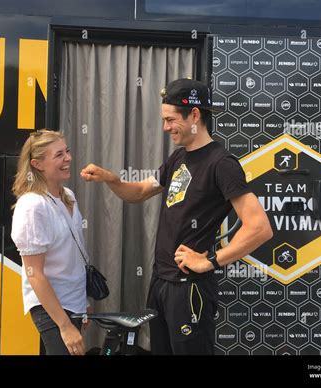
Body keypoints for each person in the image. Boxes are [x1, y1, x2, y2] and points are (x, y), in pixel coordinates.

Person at [80, 79, 273, 355]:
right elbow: (141, 191)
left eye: (171, 120)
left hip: (189, 290)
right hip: (161, 284)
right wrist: (111, 179)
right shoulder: (178, 157)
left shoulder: (222, 163)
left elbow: (259, 227)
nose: (166, 127)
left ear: (195, 115)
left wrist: (210, 261)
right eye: (164, 120)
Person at [11, 129, 90, 356]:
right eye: (58, 155)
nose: (68, 158)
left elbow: (74, 256)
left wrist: (82, 301)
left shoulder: (68, 196)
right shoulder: (33, 206)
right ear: (37, 164)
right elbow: (34, 273)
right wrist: (64, 326)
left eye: (67, 151)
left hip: (73, 301)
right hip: (52, 307)